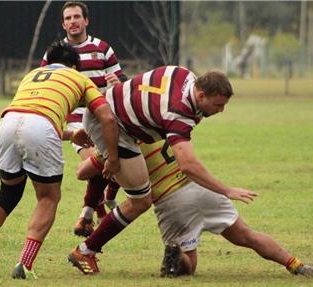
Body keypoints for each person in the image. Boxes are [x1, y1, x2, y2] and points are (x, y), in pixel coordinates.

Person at [67, 66, 258, 275]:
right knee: (138, 200)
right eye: (218, 105)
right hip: (111, 123)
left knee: (112, 169)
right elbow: (187, 165)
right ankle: (85, 250)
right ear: (201, 95)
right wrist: (226, 190)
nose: (221, 110)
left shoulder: (184, 74)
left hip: (112, 112)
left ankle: (87, 219)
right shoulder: (177, 116)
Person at [0, 41, 120, 280]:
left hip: (8, 122)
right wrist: (113, 158)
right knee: (48, 197)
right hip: (41, 125)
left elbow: (28, 117)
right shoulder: (79, 78)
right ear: (75, 66)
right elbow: (107, 118)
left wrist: (70, 134)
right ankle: (24, 265)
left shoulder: (32, 74)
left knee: (7, 193)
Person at [75, 140, 313, 277]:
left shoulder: (118, 138)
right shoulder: (159, 124)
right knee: (247, 235)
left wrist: (99, 154)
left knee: (188, 267)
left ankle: (176, 255)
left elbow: (83, 172)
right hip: (202, 189)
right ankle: (295, 264)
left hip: (171, 202)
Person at [40, 1, 126, 237]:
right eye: (68, 18)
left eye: (77, 17)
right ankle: (91, 211)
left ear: (86, 20)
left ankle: (95, 208)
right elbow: (44, 83)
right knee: (96, 163)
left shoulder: (102, 48)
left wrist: (118, 83)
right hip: (76, 119)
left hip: (103, 116)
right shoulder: (54, 54)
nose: (73, 21)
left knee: (117, 156)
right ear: (63, 23)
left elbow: (122, 81)